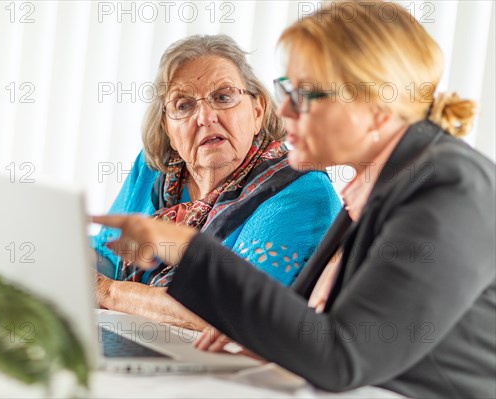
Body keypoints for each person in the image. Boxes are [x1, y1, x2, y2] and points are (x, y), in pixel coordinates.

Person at [92, 2, 496, 398]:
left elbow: (342, 358)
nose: (282, 111)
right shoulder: (378, 184)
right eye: (286, 90)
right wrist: (256, 330)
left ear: (375, 109)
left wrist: (184, 246)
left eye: (304, 94)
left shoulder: (450, 187)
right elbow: (306, 320)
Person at [92, 35, 341, 330]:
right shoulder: (151, 169)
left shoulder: (300, 190)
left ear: (258, 110)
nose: (205, 117)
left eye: (223, 97)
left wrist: (108, 292)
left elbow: (232, 309)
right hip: (136, 338)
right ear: (167, 128)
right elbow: (105, 253)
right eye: (183, 106)